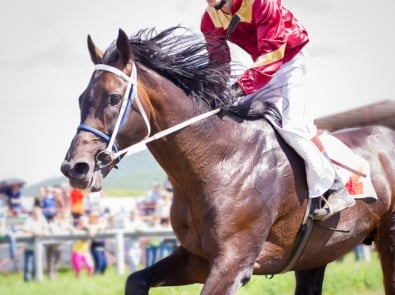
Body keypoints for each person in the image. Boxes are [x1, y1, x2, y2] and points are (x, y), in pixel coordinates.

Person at [200, 0, 355, 220]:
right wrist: (214, 93)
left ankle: (337, 188)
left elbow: (273, 52)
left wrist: (239, 88)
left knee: (294, 125)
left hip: (289, 62)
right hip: (261, 69)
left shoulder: (261, 2)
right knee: (232, 115)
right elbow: (218, 61)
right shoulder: (209, 19)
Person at [21, 206, 49, 282]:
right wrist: (34, 231)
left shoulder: (42, 218)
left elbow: (46, 228)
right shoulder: (29, 219)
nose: (37, 215)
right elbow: (24, 229)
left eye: (39, 213)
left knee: (36, 265)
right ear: (33, 213)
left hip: (39, 247)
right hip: (29, 246)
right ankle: (27, 280)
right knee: (28, 265)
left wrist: (43, 232)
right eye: (36, 213)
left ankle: (34, 279)